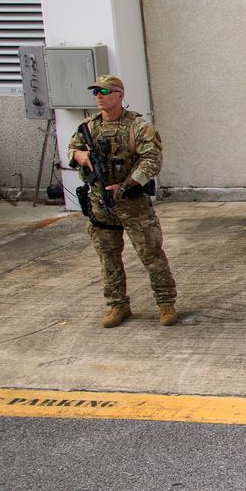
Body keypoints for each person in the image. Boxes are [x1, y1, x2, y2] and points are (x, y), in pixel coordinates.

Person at [67, 74, 178, 328]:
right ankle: (117, 305)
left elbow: (151, 160)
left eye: (105, 92)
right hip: (100, 203)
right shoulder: (89, 127)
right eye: (96, 92)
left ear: (120, 95)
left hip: (132, 202)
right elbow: (73, 151)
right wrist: (83, 157)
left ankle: (165, 303)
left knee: (151, 254)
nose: (99, 97)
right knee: (108, 256)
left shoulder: (138, 127)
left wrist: (126, 185)